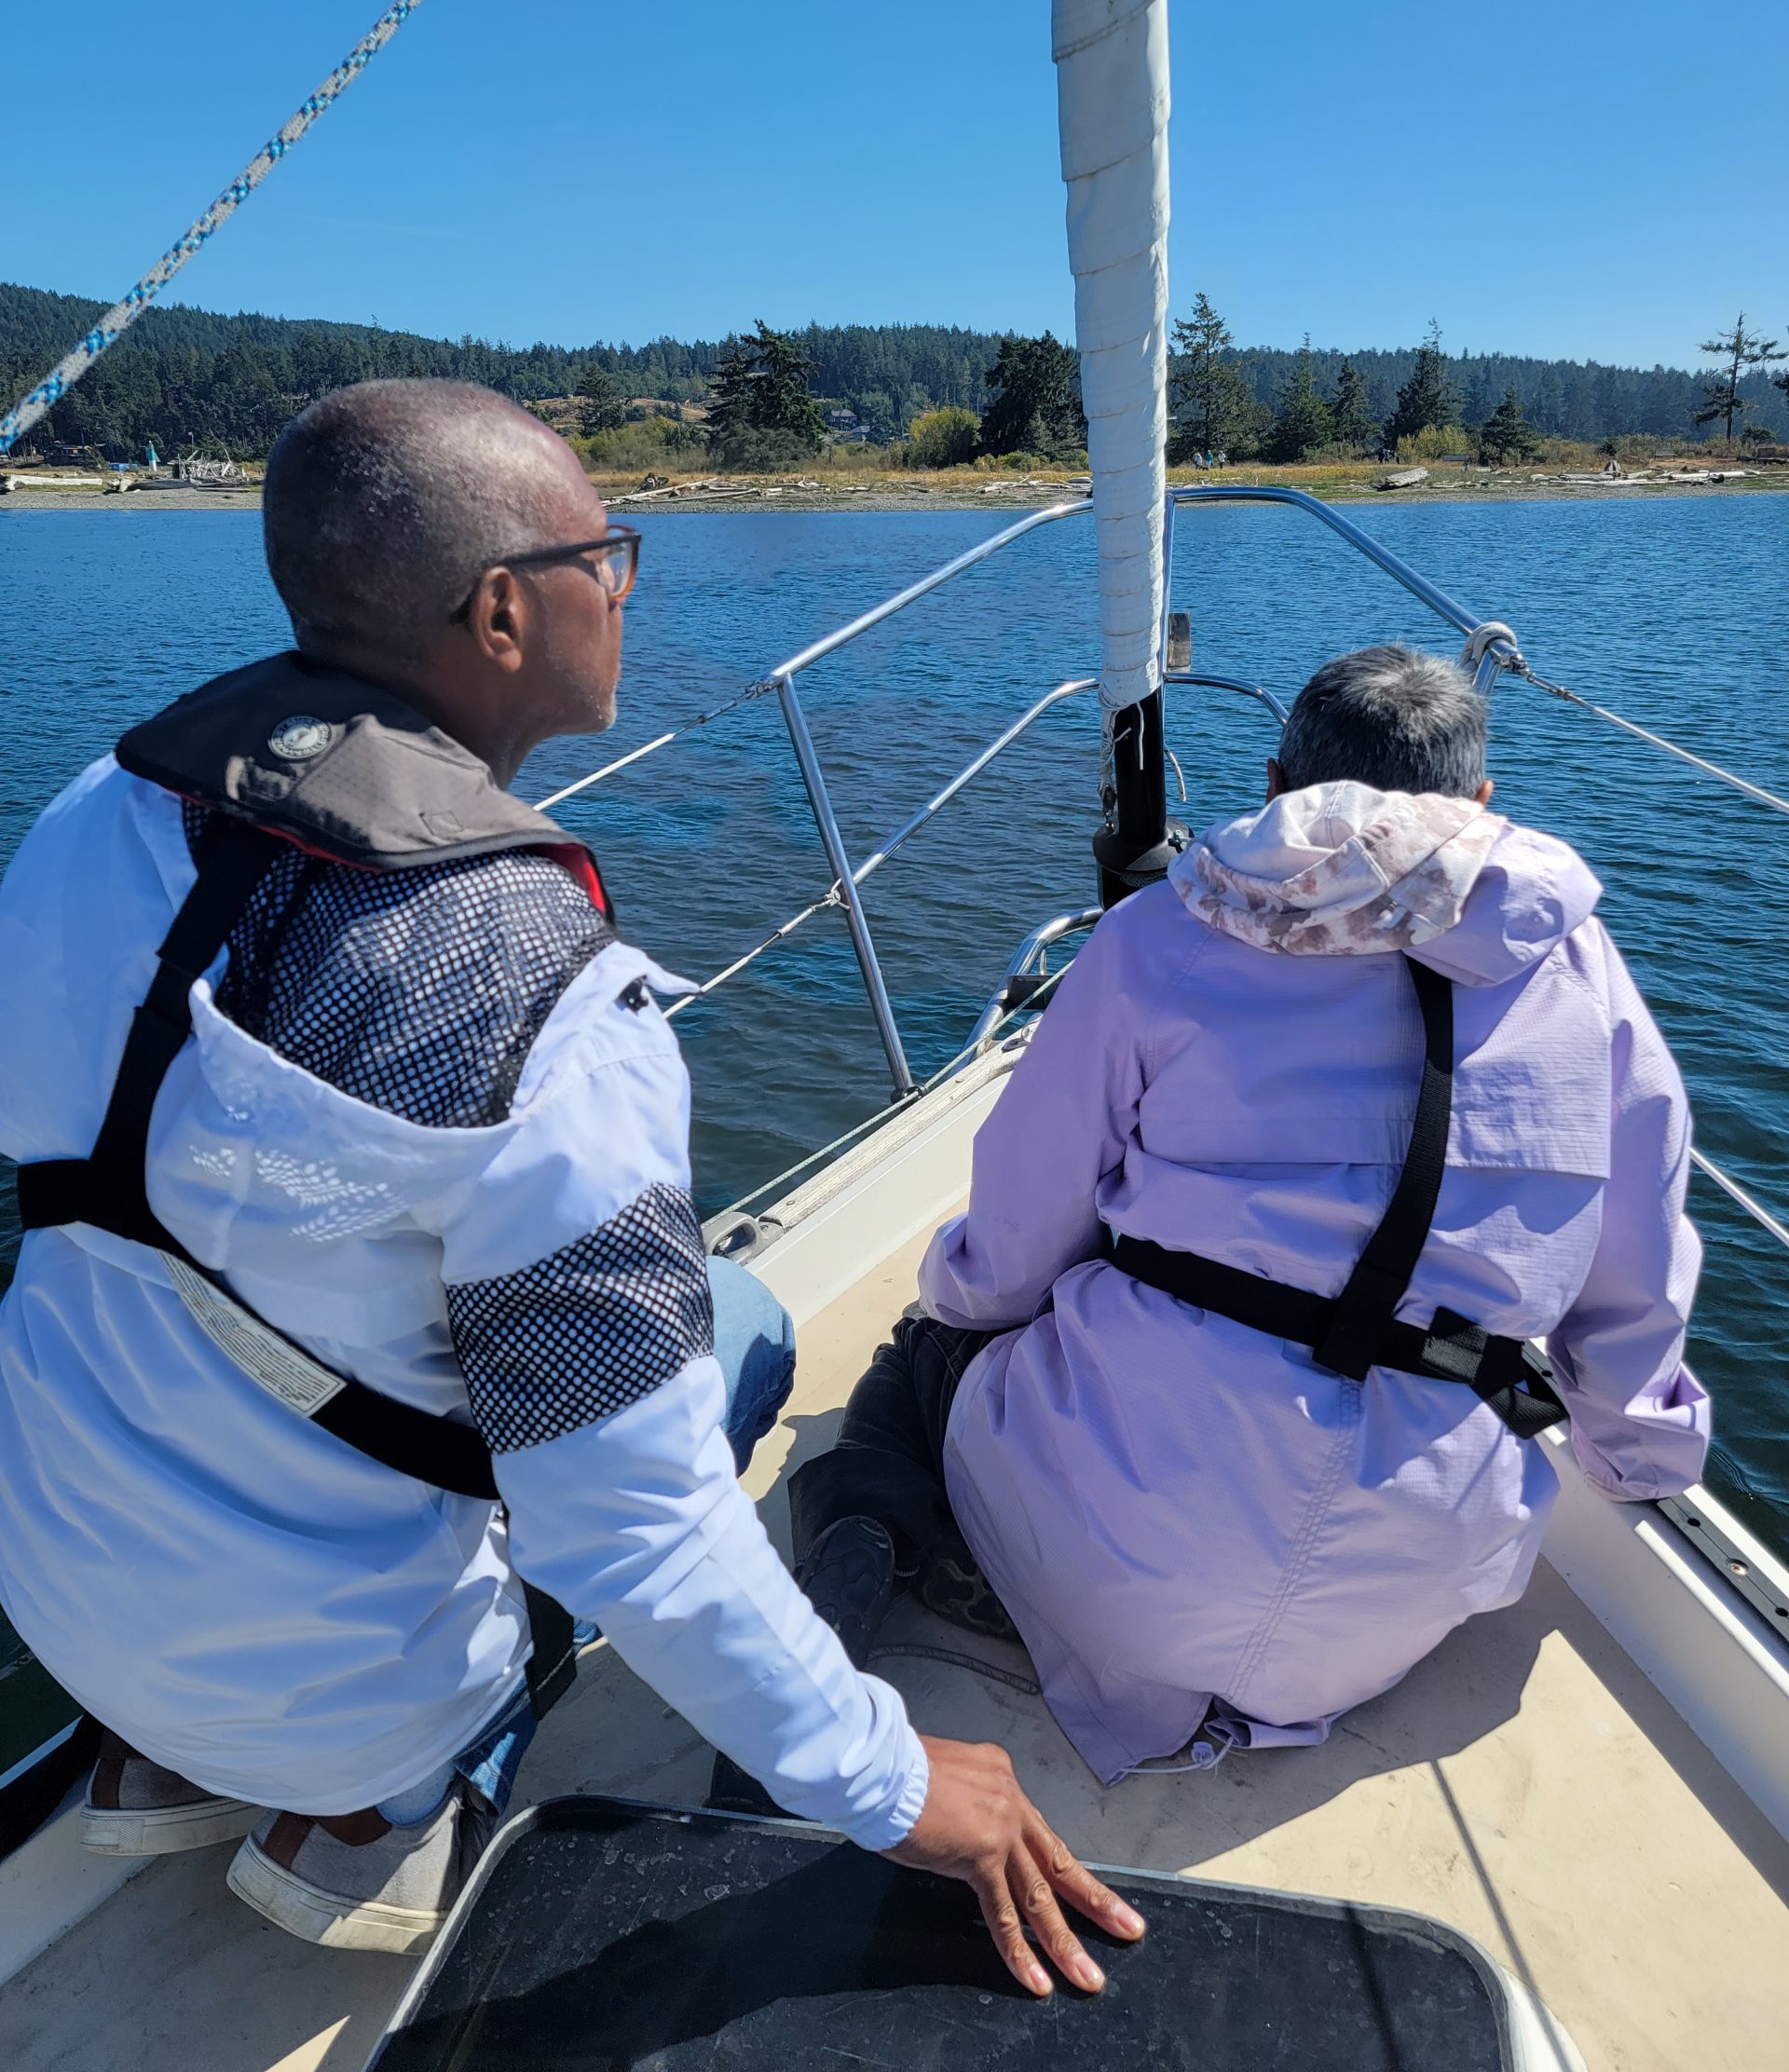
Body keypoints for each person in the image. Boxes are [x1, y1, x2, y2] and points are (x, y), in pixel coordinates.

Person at [0, 379, 1140, 1989]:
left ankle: (166, 1757)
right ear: (501, 612)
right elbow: (636, 1533)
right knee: (738, 1328)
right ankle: (377, 1815)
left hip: (51, 1588)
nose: (624, 584)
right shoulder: (540, 1005)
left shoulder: (94, 813)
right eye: (609, 553)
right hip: (328, 1704)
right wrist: (890, 1782)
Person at [790, 645, 1710, 1781]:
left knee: (921, 1355)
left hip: (1131, 1567)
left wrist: (960, 1308)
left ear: (1280, 786)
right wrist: (1634, 1454)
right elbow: (1640, 1261)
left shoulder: (1159, 936)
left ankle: (879, 1539)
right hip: (1413, 1586)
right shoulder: (1582, 965)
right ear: (1479, 803)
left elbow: (1014, 1245)